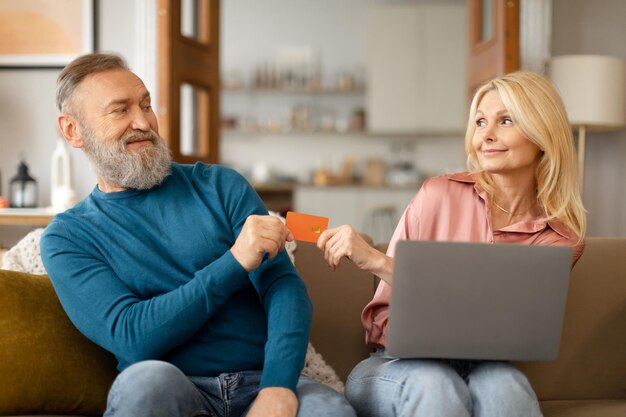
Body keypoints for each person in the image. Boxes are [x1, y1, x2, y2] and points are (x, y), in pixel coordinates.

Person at [40, 53, 356, 417]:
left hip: (264, 379)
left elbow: (283, 289)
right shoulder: (68, 238)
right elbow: (132, 335)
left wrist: (278, 388)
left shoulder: (221, 186)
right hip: (173, 387)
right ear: (72, 130)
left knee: (331, 412)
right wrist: (235, 261)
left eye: (146, 105)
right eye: (120, 110)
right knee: (144, 386)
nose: (143, 122)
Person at [317, 71, 586, 417]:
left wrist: (377, 261)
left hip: (485, 367)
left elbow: (496, 315)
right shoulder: (437, 194)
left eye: (505, 121)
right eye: (480, 122)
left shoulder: (560, 239)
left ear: (542, 136)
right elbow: (382, 319)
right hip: (393, 365)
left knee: (507, 387)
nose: (486, 136)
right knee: (435, 382)